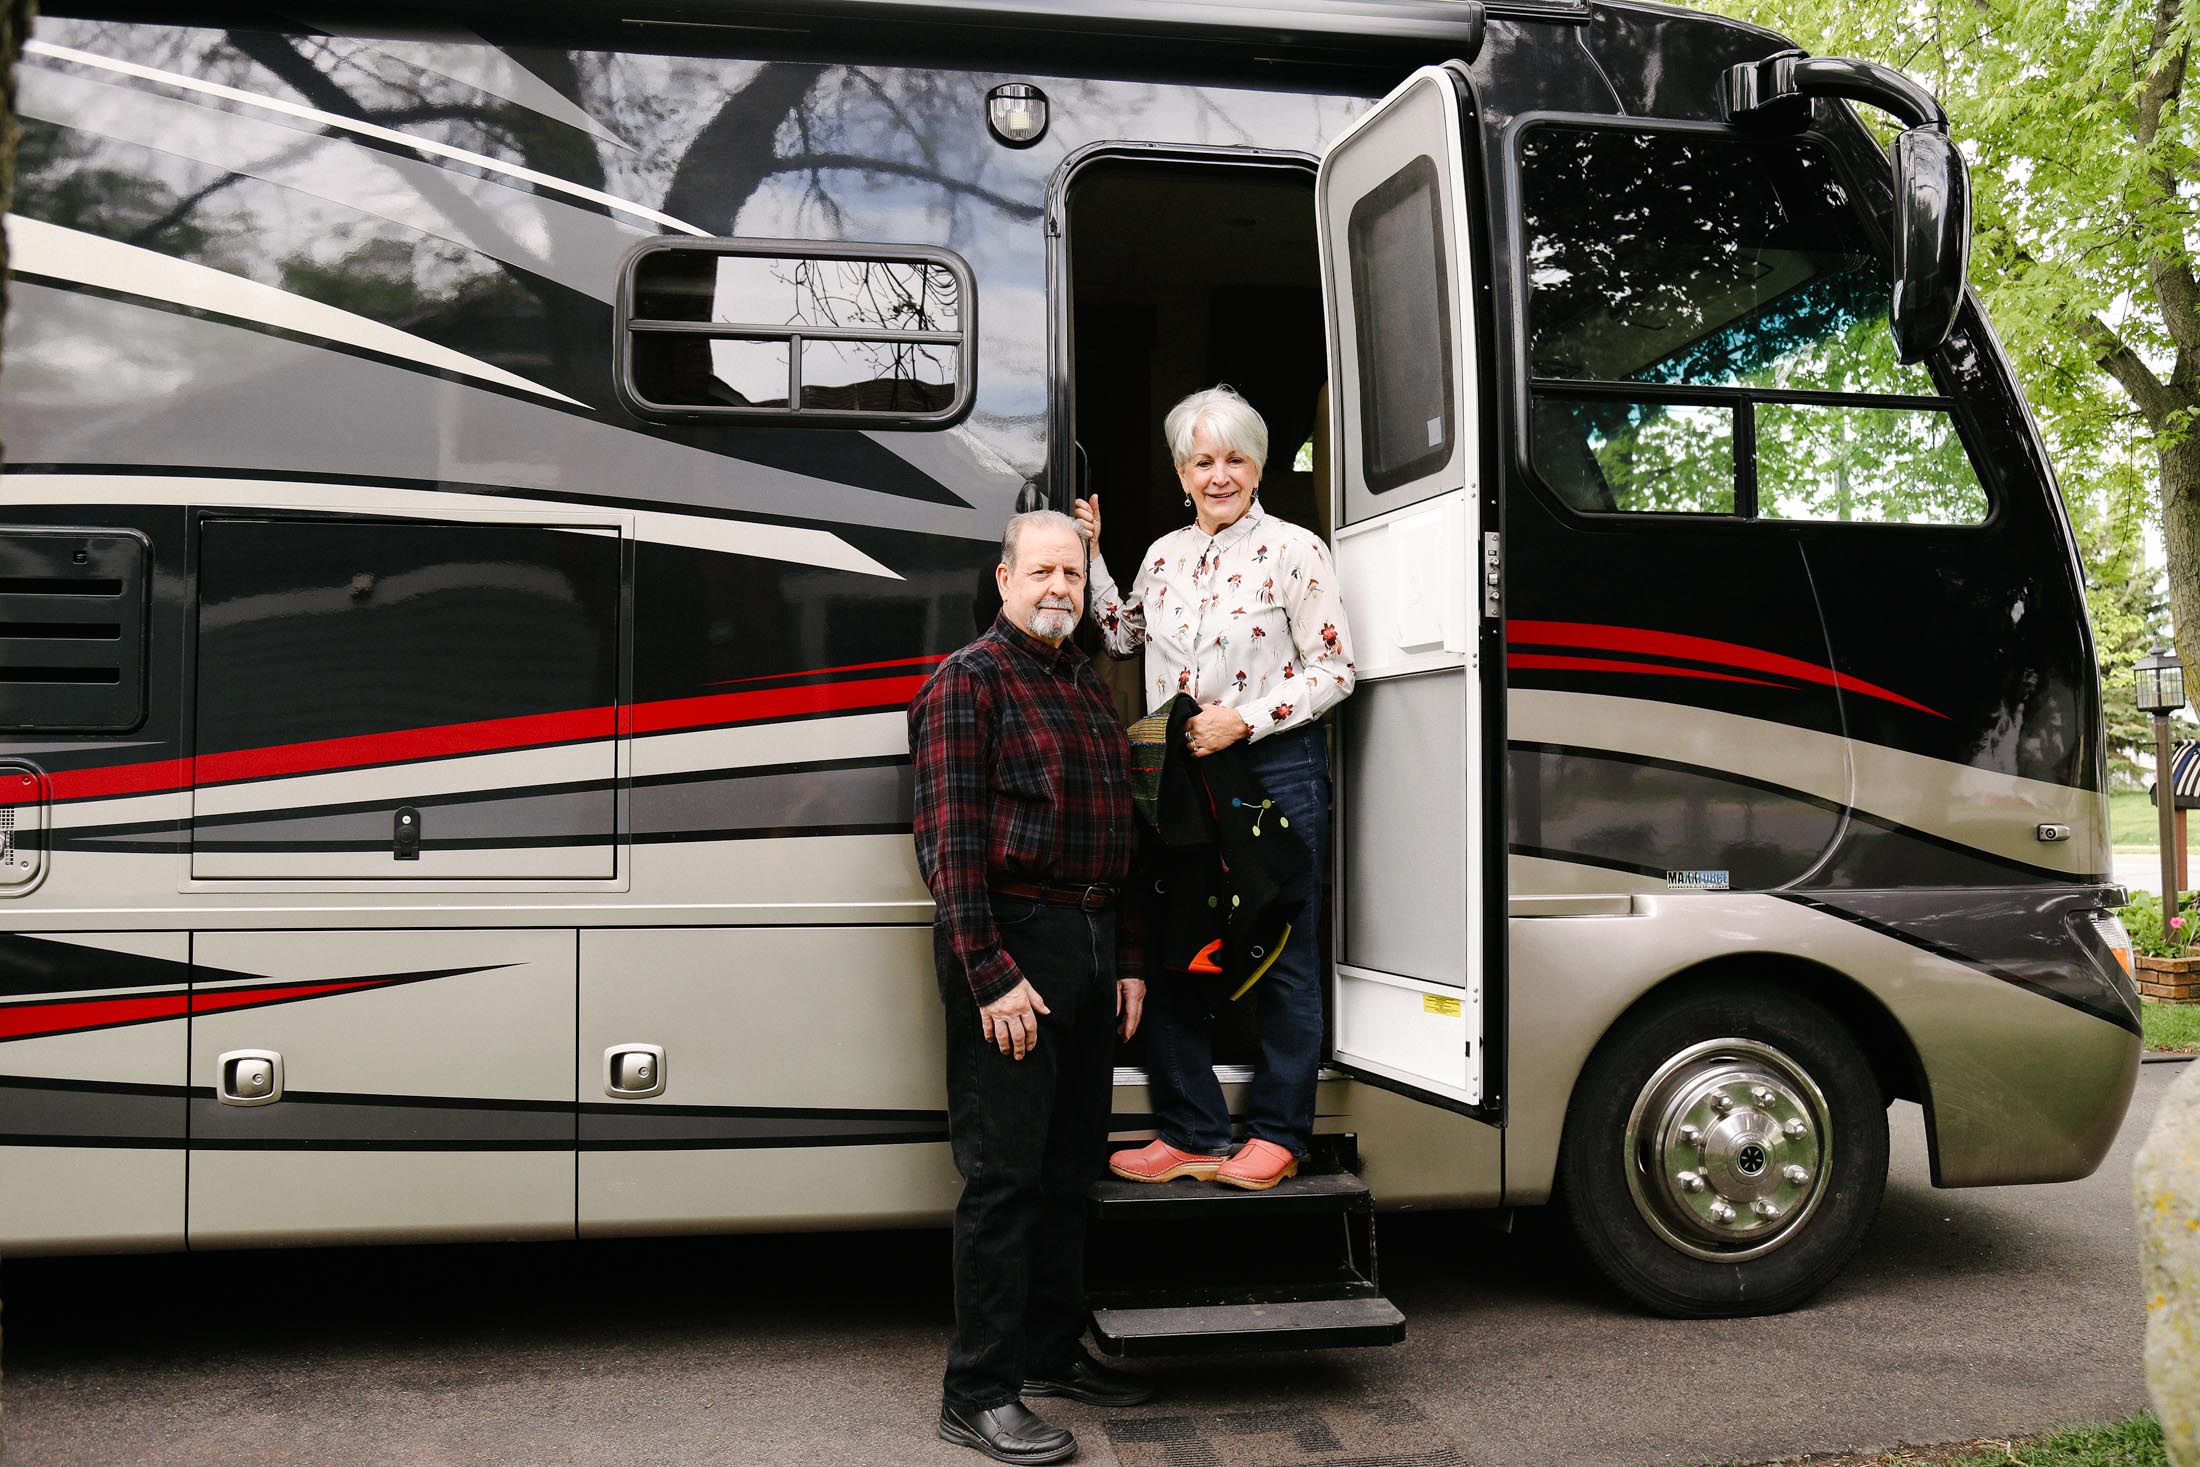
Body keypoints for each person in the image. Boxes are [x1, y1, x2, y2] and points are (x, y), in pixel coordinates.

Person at [909, 509, 1156, 1465]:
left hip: (1089, 943)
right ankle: (977, 1392)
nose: (1060, 585)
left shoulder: (1087, 687)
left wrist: (1128, 955)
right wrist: (990, 976)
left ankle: (1052, 1353)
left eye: (1073, 571)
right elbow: (949, 848)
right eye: (1042, 570)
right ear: (1005, 579)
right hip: (1013, 945)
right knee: (1003, 1179)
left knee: (1065, 1171)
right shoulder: (967, 683)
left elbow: (1125, 836)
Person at [1076, 385, 1356, 1192]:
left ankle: (1278, 1131)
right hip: (1180, 772)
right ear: (1180, 470)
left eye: (1235, 458)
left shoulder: (1298, 550)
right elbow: (1124, 636)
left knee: (1281, 953)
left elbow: (1336, 670)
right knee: (1175, 946)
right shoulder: (1162, 553)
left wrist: (1246, 718)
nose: (1220, 474)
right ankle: (1193, 1129)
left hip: (1271, 767)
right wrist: (1095, 555)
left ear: (1261, 464)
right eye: (1204, 460)